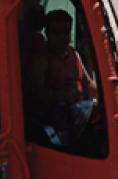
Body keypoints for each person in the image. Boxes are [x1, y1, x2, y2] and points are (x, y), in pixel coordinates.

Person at [27, 9, 98, 147]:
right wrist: (63, 96)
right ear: (47, 33)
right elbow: (33, 93)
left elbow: (88, 83)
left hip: (77, 106)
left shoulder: (72, 53)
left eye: (65, 32)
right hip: (56, 111)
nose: (61, 37)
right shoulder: (41, 58)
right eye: (56, 32)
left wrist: (109, 96)